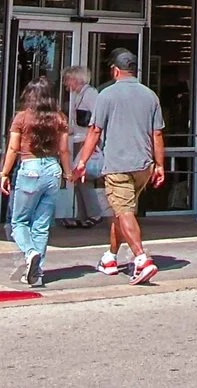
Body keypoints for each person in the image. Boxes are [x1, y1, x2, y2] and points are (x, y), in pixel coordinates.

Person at [71, 47, 164, 284]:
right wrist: (160, 165)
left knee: (123, 211)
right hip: (144, 165)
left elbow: (95, 130)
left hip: (118, 165)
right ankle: (110, 257)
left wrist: (82, 161)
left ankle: (141, 259)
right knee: (122, 212)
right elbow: (157, 134)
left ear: (114, 70)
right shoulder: (150, 95)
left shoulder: (106, 96)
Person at [0, 79, 75, 287]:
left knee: (19, 222)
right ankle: (36, 274)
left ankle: (30, 254)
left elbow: (13, 149)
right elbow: (64, 150)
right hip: (53, 170)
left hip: (29, 168)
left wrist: (4, 173)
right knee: (41, 225)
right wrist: (68, 173)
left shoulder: (21, 118)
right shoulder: (59, 118)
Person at [59, 64, 104, 228]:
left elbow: (98, 120)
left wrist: (95, 143)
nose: (65, 84)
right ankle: (84, 215)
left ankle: (94, 214)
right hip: (78, 140)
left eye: (67, 79)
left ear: (76, 79)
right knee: (79, 180)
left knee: (81, 177)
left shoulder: (91, 95)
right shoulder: (78, 96)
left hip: (87, 142)